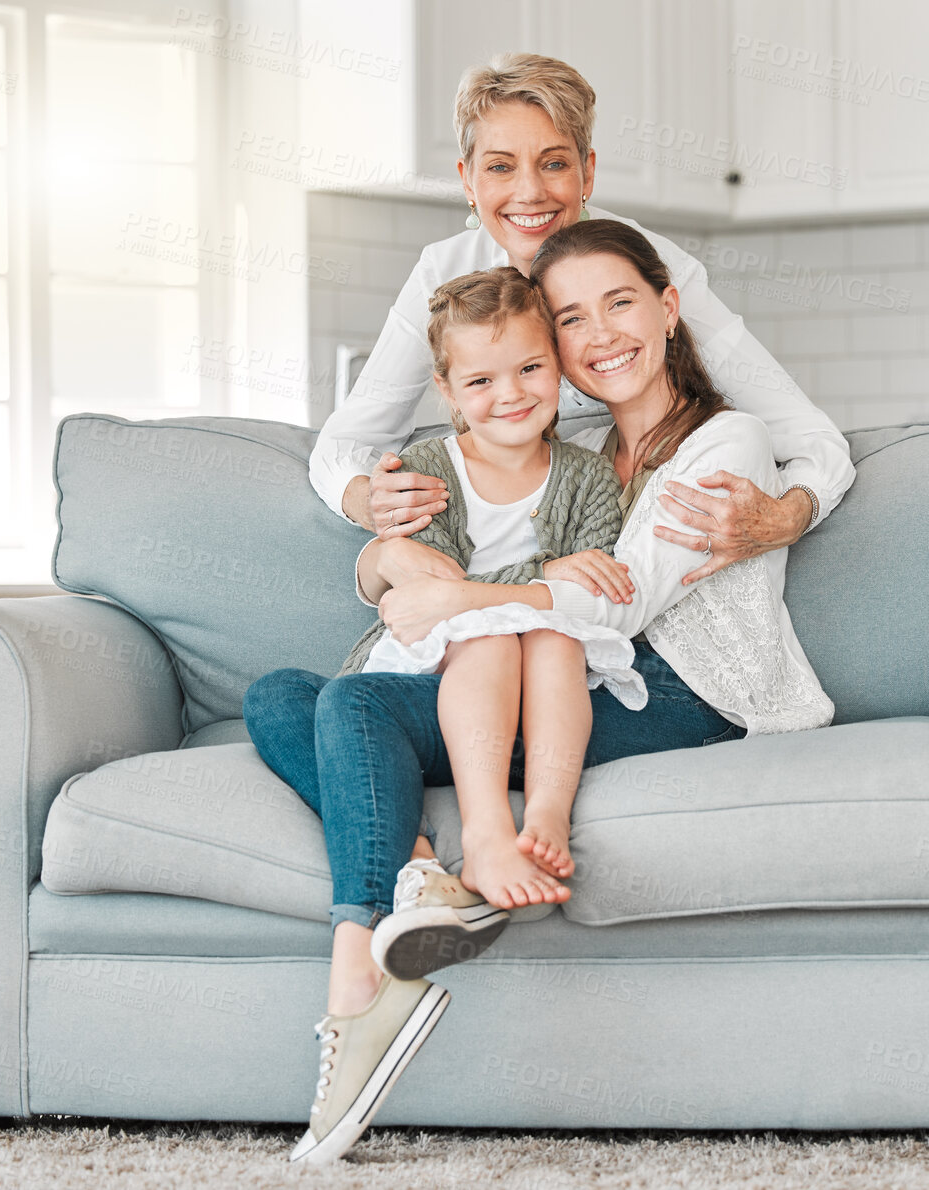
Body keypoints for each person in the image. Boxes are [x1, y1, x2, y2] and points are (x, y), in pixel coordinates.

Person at [243, 218, 834, 1165]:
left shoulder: (727, 440)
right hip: (556, 663)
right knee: (291, 696)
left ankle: (359, 981)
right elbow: (456, 549)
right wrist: (384, 554)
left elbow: (621, 602)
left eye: (621, 303)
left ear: (670, 308)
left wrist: (445, 593)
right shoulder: (592, 445)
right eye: (572, 318)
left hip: (682, 693)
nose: (599, 333)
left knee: (357, 706)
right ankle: (417, 874)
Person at [313, 51, 854, 595]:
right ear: (468, 182)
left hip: (605, 550)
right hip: (492, 545)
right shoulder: (442, 272)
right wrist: (373, 503)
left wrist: (786, 519)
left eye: (554, 163)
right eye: (500, 167)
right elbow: (343, 446)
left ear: (587, 171)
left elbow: (811, 439)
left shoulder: (647, 266)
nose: (529, 192)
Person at [343, 265, 643, 918]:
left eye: (529, 369)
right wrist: (544, 581)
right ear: (447, 391)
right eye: (480, 380)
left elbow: (592, 587)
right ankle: (486, 832)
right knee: (493, 640)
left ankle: (545, 815)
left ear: (557, 367)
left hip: (538, 659)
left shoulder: (588, 477)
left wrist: (540, 593)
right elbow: (438, 595)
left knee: (555, 636)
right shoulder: (424, 472)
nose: (509, 395)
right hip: (435, 660)